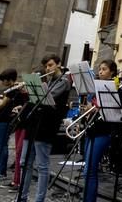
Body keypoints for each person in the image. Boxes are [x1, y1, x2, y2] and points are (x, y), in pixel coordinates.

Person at [19, 54, 71, 202]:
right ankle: (22, 197)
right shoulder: (47, 80)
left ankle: (39, 199)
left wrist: (32, 89)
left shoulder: (63, 81)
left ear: (59, 64)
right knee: (25, 163)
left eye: (50, 65)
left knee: (42, 166)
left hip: (47, 126)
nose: (47, 68)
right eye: (46, 66)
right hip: (34, 124)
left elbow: (49, 96)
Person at [82, 59, 118, 202]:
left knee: (90, 170)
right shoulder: (96, 87)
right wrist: (88, 109)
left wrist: (97, 107)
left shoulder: (114, 87)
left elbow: (114, 110)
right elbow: (92, 108)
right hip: (91, 130)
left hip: (104, 131)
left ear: (112, 72)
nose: (100, 71)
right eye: (100, 69)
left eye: (104, 69)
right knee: (87, 169)